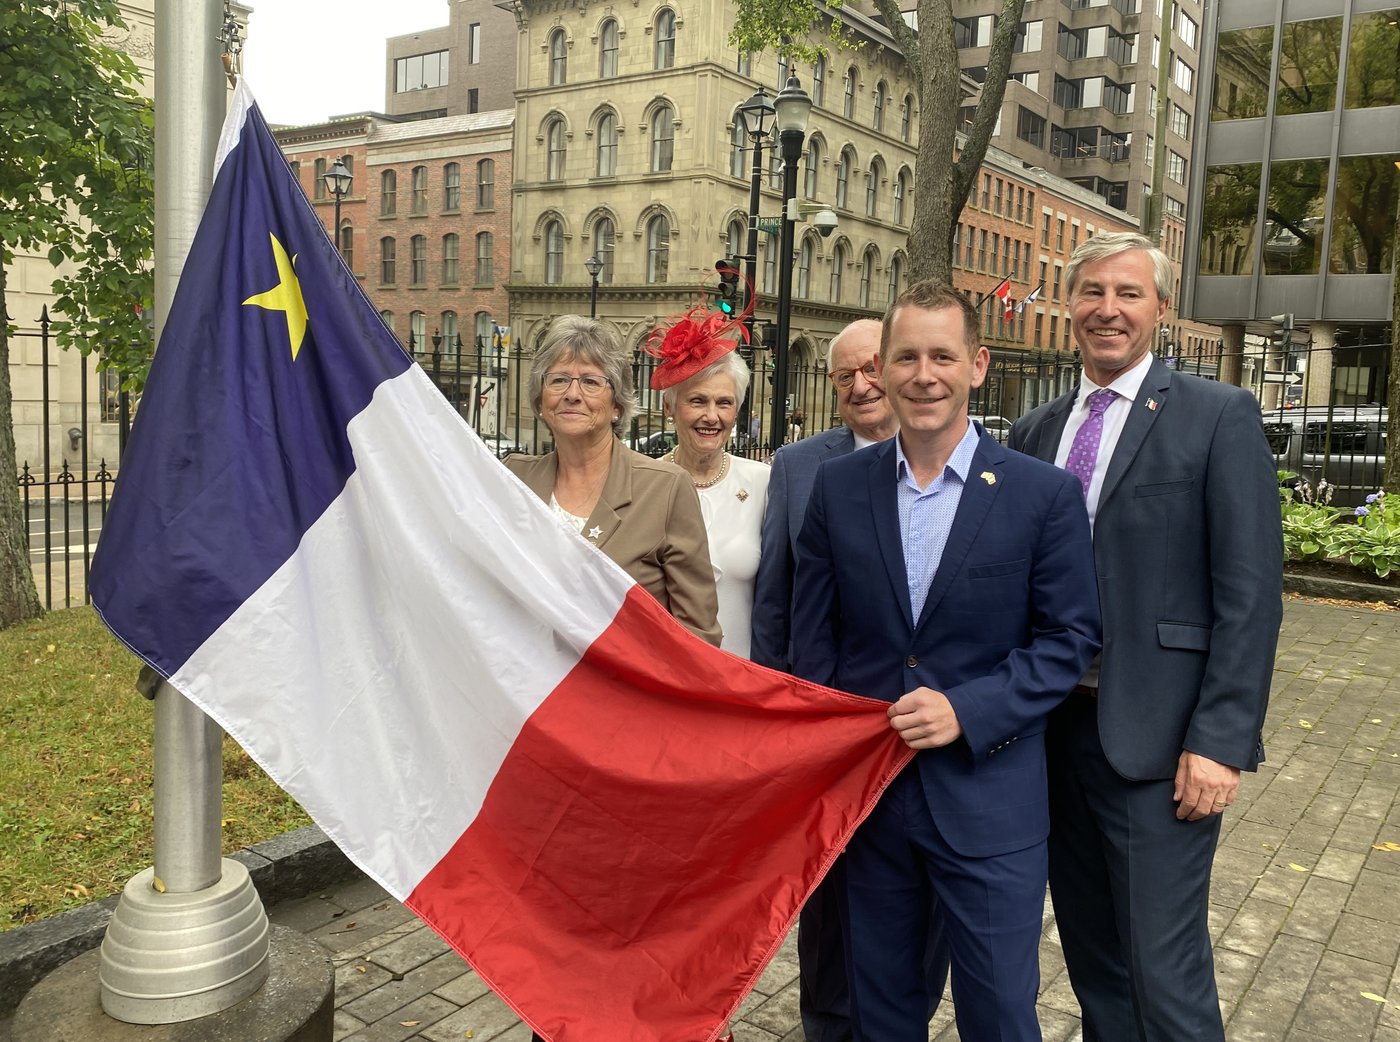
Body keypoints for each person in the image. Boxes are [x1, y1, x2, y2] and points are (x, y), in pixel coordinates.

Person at [790, 281, 1100, 1042]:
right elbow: (813, 642)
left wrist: (969, 708)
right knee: (881, 1012)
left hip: (990, 801)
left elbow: (1070, 639)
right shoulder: (837, 488)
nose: (923, 374)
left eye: (942, 356)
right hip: (874, 803)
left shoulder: (1042, 496)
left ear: (977, 365)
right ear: (885, 368)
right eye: (907, 356)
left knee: (998, 1015)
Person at [1008, 232, 1282, 1042]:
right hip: (1052, 735)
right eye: (1091, 292)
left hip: (1159, 744)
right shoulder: (1034, 431)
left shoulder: (1216, 416)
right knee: (1095, 962)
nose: (1108, 309)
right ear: (1069, 307)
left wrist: (1221, 741)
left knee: (1164, 971)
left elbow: (1250, 594)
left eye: (1128, 293)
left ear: (1161, 308)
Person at [755, 318, 950, 1042]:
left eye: (874, 367)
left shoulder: (968, 455)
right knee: (832, 899)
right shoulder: (803, 466)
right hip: (835, 729)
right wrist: (788, 713)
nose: (863, 386)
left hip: (936, 729)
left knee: (926, 902)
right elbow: (777, 596)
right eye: (846, 377)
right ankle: (828, 1027)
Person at [505, 315, 721, 647]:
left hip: (625, 693)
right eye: (559, 380)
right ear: (540, 399)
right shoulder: (514, 478)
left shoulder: (664, 488)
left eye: (591, 382)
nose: (572, 394)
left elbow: (698, 634)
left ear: (617, 405)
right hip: (532, 691)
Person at [649, 317, 770, 659]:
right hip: (665, 677)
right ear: (669, 408)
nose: (712, 416)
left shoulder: (764, 483)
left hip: (743, 680)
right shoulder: (644, 482)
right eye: (698, 401)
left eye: (724, 403)